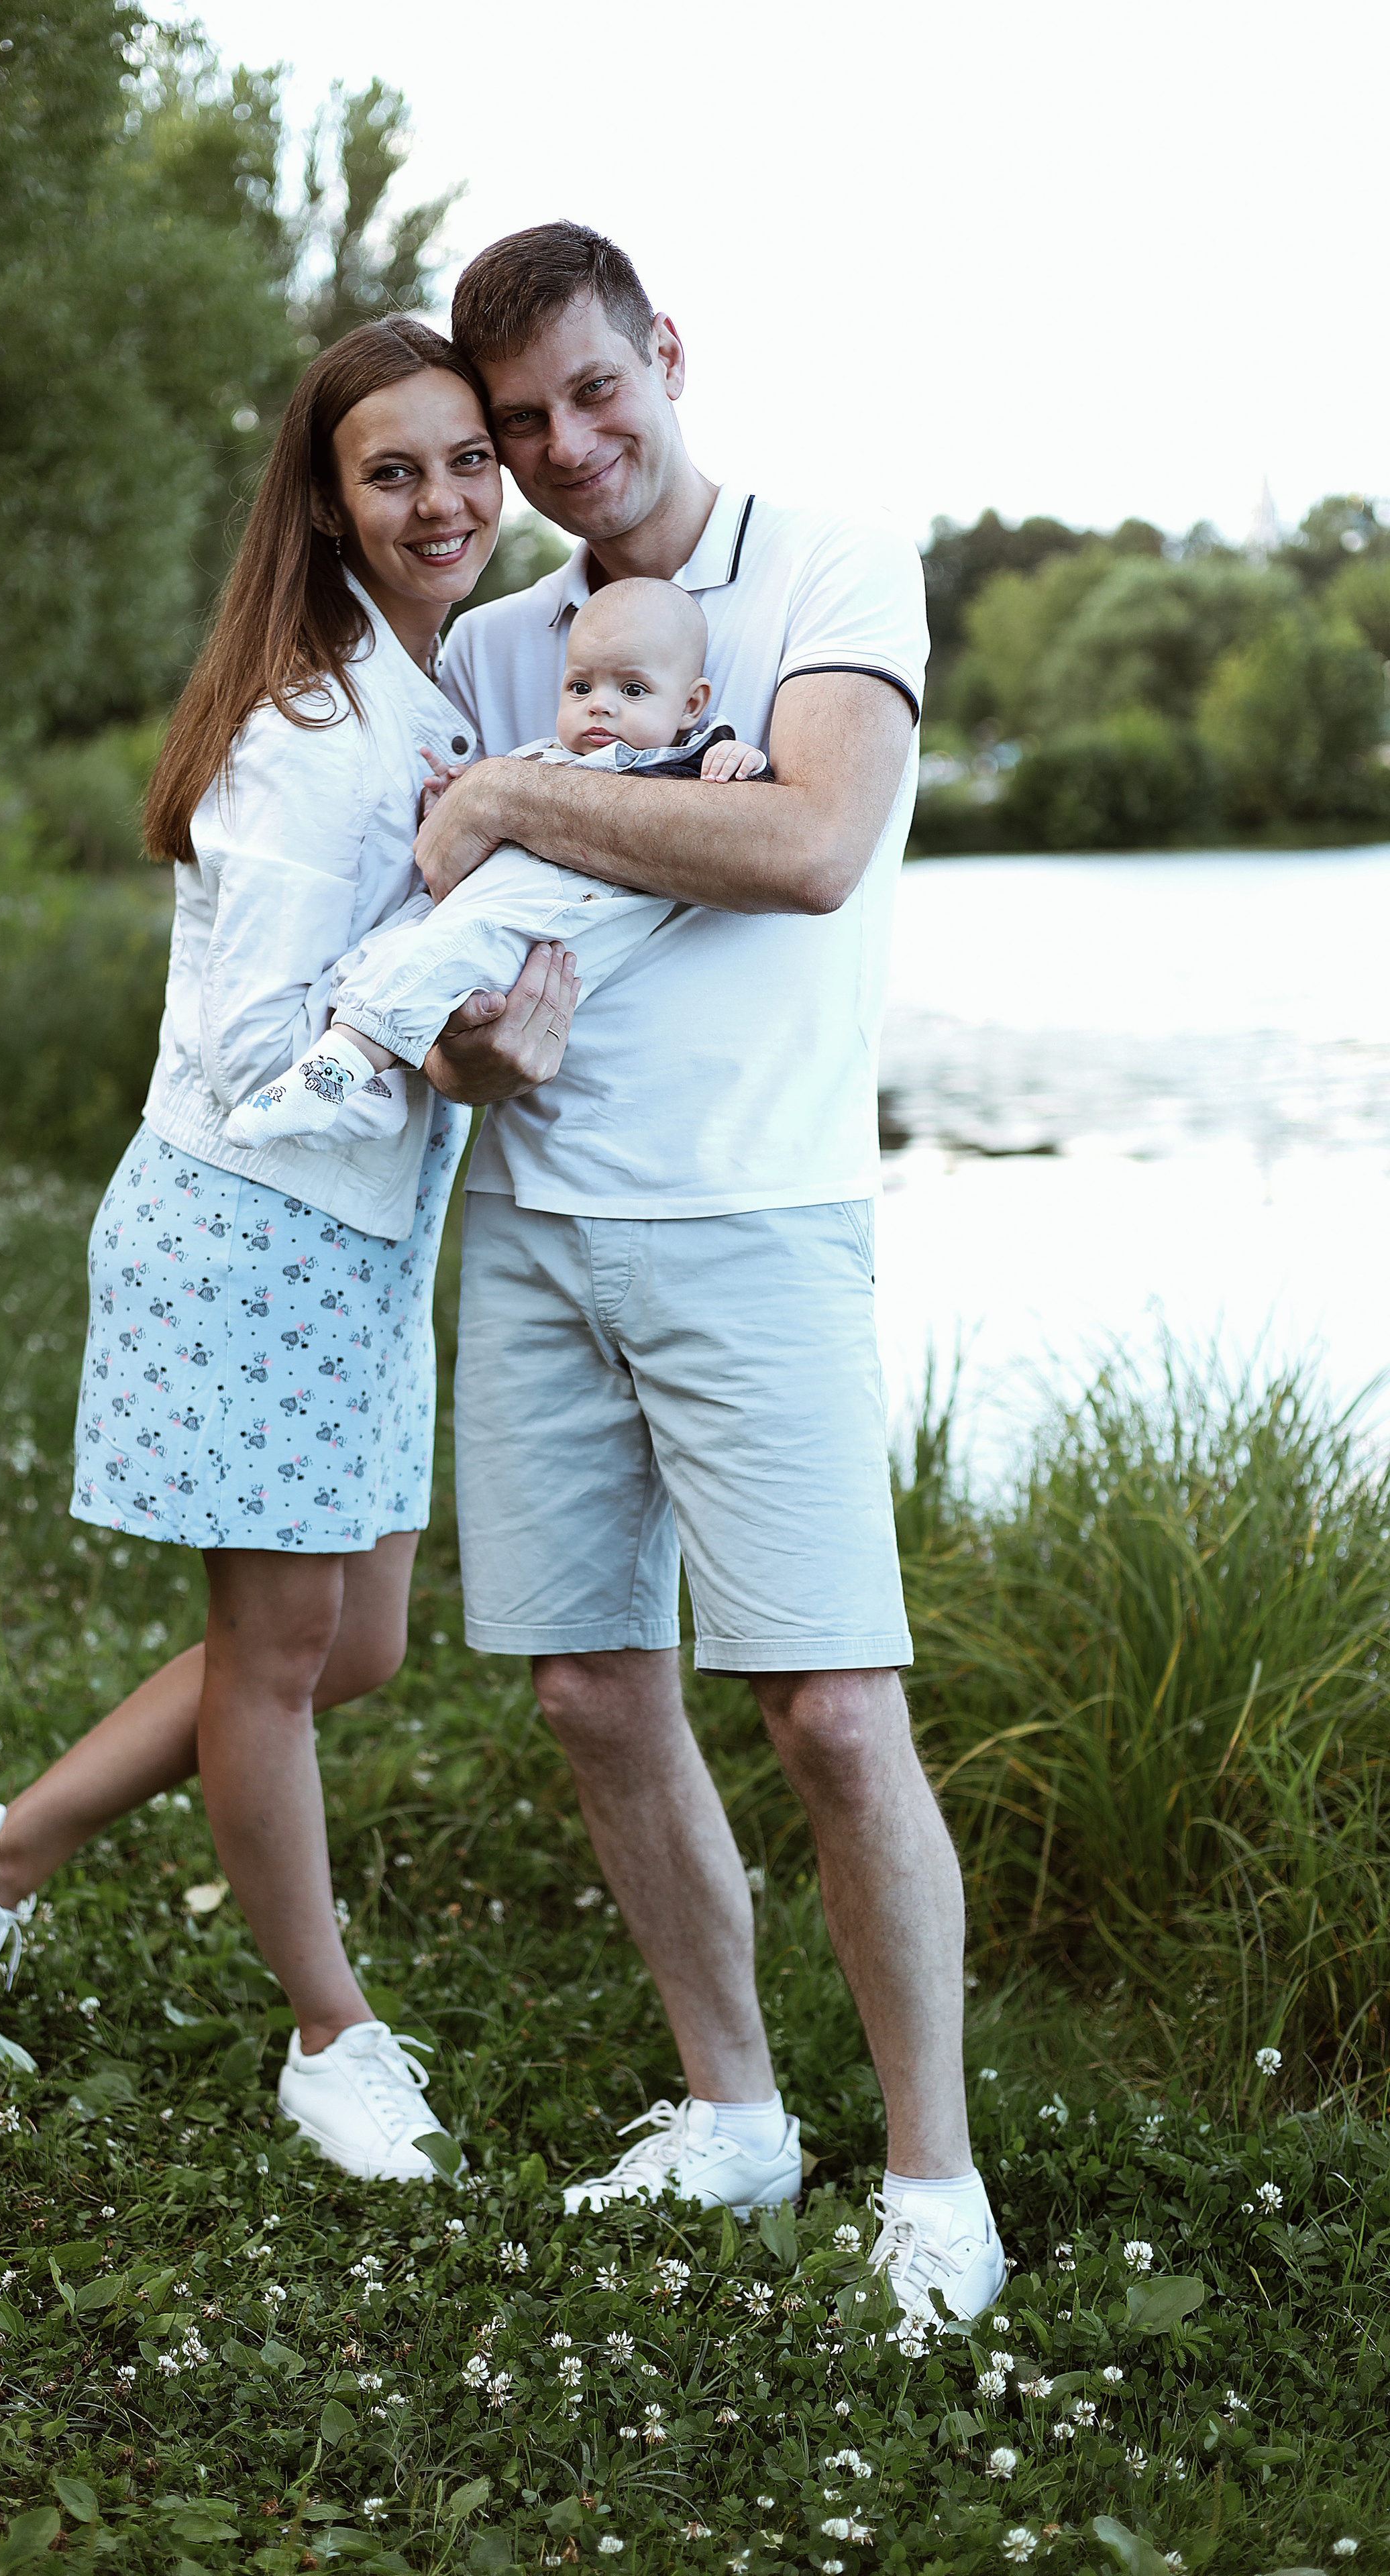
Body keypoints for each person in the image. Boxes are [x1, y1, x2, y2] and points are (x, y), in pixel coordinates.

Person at [0, 316, 578, 2186]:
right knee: (274, 1660)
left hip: (358, 1245)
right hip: (252, 1230)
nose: (443, 501)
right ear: (329, 507)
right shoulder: (312, 737)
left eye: (465, 460)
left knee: (357, 1646)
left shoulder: (431, 704)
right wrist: (451, 1036)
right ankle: (333, 2041)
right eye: (391, 472)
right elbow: (266, 1052)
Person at [422, 221, 1006, 2323]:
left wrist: (522, 798)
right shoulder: (495, 649)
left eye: (595, 390)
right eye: (521, 424)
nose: (568, 446)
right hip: (534, 1226)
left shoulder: (829, 565)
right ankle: (735, 2113)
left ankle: (934, 2183)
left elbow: (810, 845)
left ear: (664, 352)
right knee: (592, 1687)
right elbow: (451, 951)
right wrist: (471, 1049)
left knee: (833, 1712)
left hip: (759, 1222)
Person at [227, 576, 765, 1148]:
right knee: (381, 950)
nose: (600, 704)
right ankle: (369, 1088)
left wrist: (740, 758)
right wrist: (451, 801)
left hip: (545, 922)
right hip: (485, 904)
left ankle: (327, 1077)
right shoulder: (546, 757)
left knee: (439, 958)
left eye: (633, 690)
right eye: (580, 686)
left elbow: (749, 812)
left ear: (691, 705)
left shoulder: (685, 760)